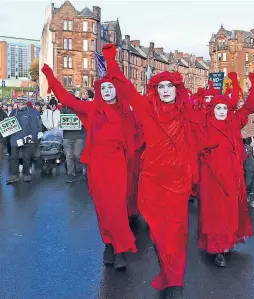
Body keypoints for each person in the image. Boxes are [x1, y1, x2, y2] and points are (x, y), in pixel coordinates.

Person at [102, 43, 201, 299]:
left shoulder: (187, 113)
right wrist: (111, 59)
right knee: (159, 235)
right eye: (161, 86)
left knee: (177, 234)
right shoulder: (146, 109)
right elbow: (123, 86)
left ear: (176, 89)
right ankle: (167, 272)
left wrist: (194, 175)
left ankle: (175, 283)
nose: (165, 90)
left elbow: (199, 138)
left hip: (178, 183)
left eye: (170, 86)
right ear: (155, 90)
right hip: (153, 183)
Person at [41, 52, 137, 270]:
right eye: (103, 88)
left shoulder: (125, 111)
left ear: (116, 90)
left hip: (117, 165)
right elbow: (67, 99)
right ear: (99, 92)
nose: (107, 91)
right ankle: (109, 244)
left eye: (110, 87)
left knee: (117, 208)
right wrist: (51, 76)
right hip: (97, 166)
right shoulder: (93, 109)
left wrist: (112, 61)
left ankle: (121, 248)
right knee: (103, 208)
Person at [197, 72, 254, 269]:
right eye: (218, 107)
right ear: (212, 109)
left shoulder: (233, 121)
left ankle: (225, 245)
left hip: (232, 175)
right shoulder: (203, 123)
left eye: (224, 108)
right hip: (211, 176)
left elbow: (249, 107)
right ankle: (216, 250)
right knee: (214, 213)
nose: (222, 111)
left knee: (229, 211)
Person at [6, 99, 40, 184]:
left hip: (26, 139)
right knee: (13, 158)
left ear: (25, 104)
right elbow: (8, 123)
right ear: (16, 104)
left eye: (22, 104)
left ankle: (26, 174)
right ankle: (14, 175)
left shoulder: (31, 112)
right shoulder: (14, 112)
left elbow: (34, 126)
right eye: (18, 104)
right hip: (15, 138)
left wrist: (33, 137)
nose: (20, 105)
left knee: (26, 157)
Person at [61, 99, 86, 183]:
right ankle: (71, 174)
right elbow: (62, 119)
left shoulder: (81, 107)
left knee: (77, 155)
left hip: (79, 135)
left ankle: (78, 168)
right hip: (67, 135)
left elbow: (87, 119)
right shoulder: (64, 108)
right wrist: (60, 123)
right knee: (68, 155)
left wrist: (84, 122)